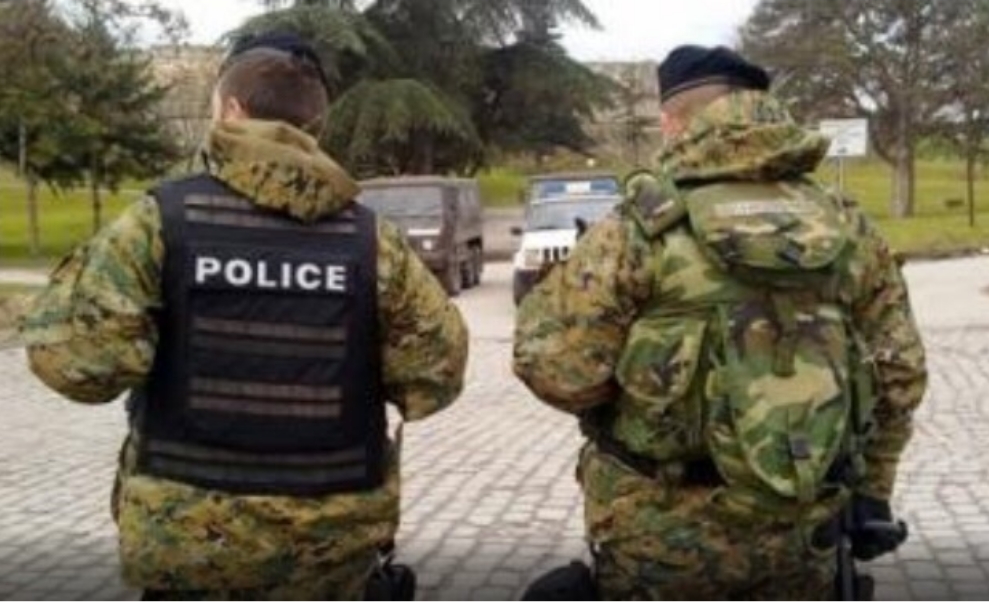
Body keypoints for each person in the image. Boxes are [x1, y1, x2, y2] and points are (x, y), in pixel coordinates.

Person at [20, 33, 468, 600]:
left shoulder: (159, 223)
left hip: (187, 546)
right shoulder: (373, 243)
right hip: (331, 549)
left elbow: (76, 365)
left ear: (231, 110)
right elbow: (435, 378)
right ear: (317, 126)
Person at [513, 45, 927, 600]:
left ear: (672, 122)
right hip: (802, 536)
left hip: (657, 540)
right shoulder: (847, 226)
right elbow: (900, 373)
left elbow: (558, 372)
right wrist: (872, 491)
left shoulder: (638, 229)